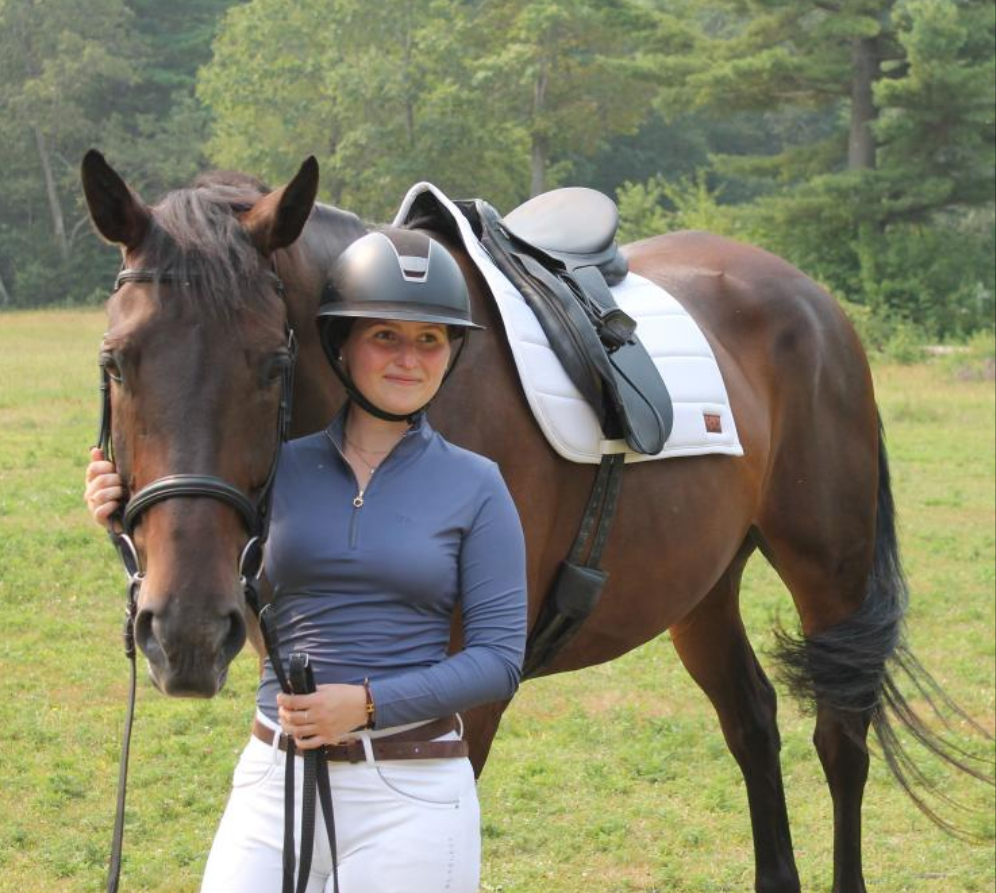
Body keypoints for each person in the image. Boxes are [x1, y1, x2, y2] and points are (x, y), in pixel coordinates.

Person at [83, 229, 528, 893]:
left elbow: (498, 659)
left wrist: (369, 703)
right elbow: (197, 537)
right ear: (341, 343)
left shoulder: (478, 484)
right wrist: (121, 509)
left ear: (450, 354)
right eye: (386, 336)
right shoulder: (274, 471)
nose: (409, 359)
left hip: (412, 787)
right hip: (273, 776)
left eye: (429, 340)